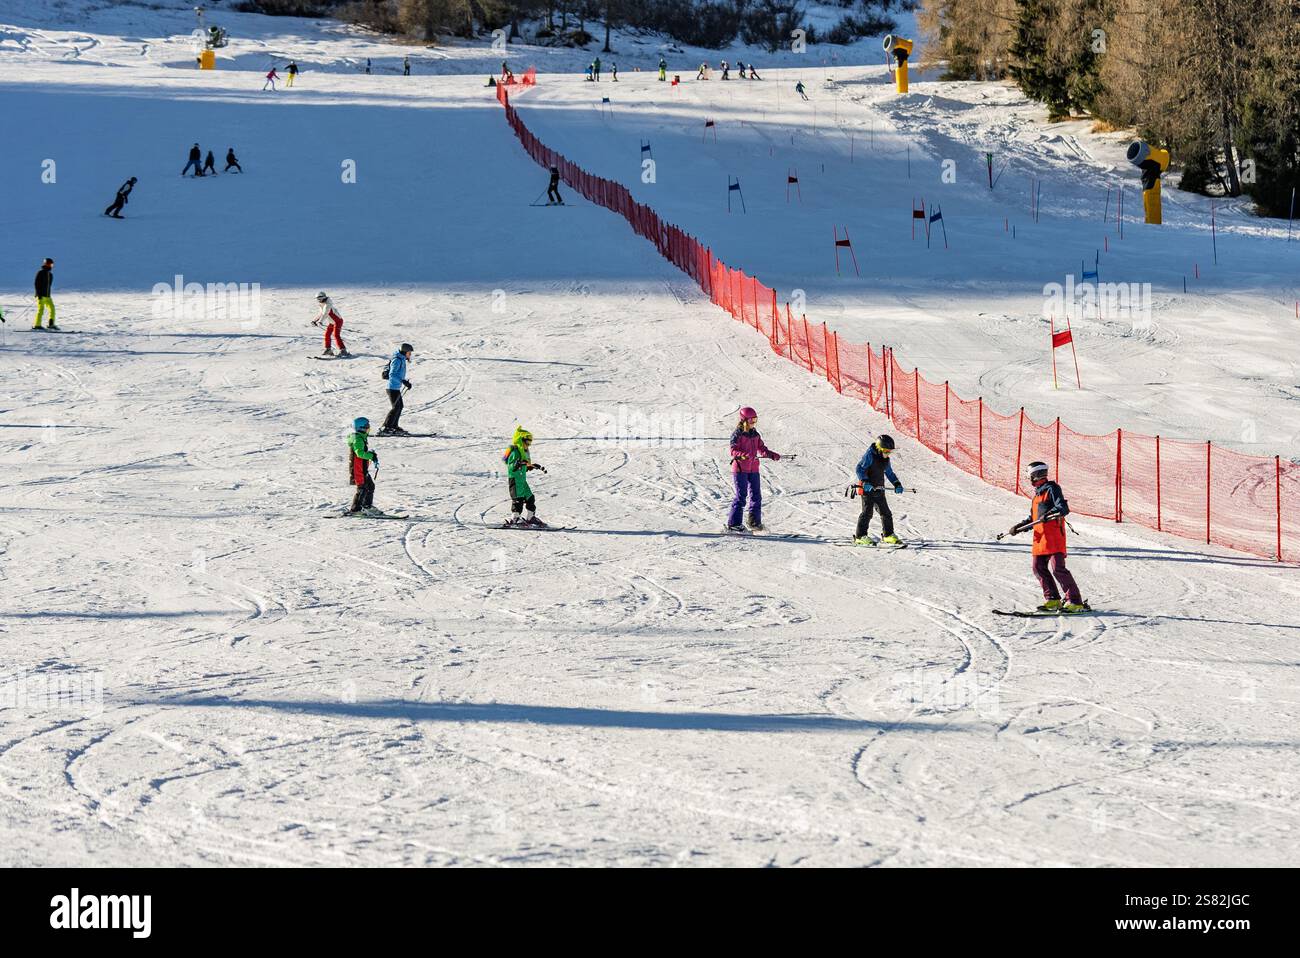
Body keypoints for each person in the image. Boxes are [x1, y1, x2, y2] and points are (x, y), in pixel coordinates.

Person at [1007, 461, 1089, 613]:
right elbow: (1033, 519)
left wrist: (1050, 515)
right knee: (1038, 567)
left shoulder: (1052, 488)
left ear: (1036, 475)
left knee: (1058, 568)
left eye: (1030, 476)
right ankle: (1053, 599)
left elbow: (1063, 508)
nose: (1029, 479)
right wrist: (1019, 527)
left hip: (1054, 537)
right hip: (1040, 539)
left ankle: (1075, 601)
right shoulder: (1037, 495)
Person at [727, 406, 786, 532]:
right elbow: (733, 450)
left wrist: (771, 454)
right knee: (741, 495)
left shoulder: (755, 434)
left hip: (753, 468)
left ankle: (754, 522)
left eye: (755, 420)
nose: (753, 423)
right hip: (740, 468)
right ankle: (734, 524)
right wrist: (745, 455)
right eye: (751, 420)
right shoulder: (738, 434)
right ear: (744, 420)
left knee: (756, 496)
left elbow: (762, 449)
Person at [852, 434, 904, 545]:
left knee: (886, 513)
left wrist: (896, 483)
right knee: (867, 513)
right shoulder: (870, 455)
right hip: (867, 490)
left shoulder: (885, 460)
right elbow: (859, 469)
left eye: (889, 452)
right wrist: (865, 481)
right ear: (879, 449)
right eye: (886, 451)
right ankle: (860, 537)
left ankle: (888, 535)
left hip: (879, 489)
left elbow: (889, 473)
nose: (888, 453)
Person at [503, 426, 546, 527]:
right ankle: (515, 518)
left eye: (530, 443)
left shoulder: (522, 453)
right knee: (518, 499)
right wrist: (519, 463)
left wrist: (530, 467)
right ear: (521, 440)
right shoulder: (514, 451)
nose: (528, 445)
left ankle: (531, 517)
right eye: (527, 442)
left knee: (530, 498)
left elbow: (522, 466)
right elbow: (511, 466)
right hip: (515, 479)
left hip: (522, 480)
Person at [379, 343, 414, 436]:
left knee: (399, 407)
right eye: (409, 353)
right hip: (391, 388)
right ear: (405, 352)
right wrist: (403, 381)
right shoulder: (397, 360)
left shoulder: (401, 359)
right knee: (396, 407)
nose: (410, 355)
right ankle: (385, 427)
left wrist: (405, 382)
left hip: (395, 387)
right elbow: (392, 374)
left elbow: (398, 375)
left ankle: (393, 426)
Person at [348, 417, 380, 515]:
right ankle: (356, 509)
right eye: (367, 427)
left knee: (370, 486)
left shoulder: (360, 437)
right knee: (362, 488)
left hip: (362, 468)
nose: (368, 429)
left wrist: (371, 455)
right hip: (358, 469)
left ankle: (367, 506)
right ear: (361, 428)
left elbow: (362, 453)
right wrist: (370, 455)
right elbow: (359, 453)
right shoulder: (357, 438)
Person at [312, 291, 349, 357]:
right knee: (327, 334)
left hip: (337, 321)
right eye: (317, 299)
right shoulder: (322, 304)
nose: (319, 300)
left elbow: (325, 313)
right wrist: (314, 320)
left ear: (324, 297)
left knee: (336, 335)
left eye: (320, 298)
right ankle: (328, 349)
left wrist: (320, 321)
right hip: (332, 322)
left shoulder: (328, 304)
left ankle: (343, 350)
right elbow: (321, 313)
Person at [33, 257, 57, 330]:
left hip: (47, 296)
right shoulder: (40, 272)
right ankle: (37, 325)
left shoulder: (50, 274)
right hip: (41, 296)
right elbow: (36, 283)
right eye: (49, 264)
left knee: (52, 309)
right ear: (45, 264)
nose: (50, 266)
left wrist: (48, 294)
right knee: (41, 310)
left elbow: (49, 286)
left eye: (51, 264)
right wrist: (38, 294)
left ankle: (51, 324)